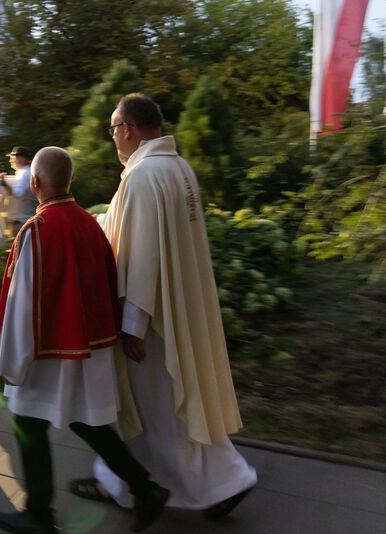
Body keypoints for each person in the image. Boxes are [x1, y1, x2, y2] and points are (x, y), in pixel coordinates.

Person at [71, 93, 257, 518]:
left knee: (153, 409)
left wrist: (132, 327)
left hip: (153, 322)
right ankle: (225, 479)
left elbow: (140, 258)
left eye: (113, 128)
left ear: (128, 129)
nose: (113, 137)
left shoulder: (142, 177)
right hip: (180, 309)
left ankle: (130, 485)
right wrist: (91, 223)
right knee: (179, 404)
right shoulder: (178, 168)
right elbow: (133, 230)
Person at [0, 147, 168, 534]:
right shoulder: (90, 224)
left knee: (28, 423)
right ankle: (145, 489)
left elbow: (21, 305)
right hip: (90, 348)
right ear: (69, 180)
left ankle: (39, 515)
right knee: (86, 420)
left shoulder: (36, 229)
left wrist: (10, 362)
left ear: (35, 183)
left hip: (46, 351)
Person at [0, 146, 37, 235]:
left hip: (22, 223)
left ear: (20, 158)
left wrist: (3, 182)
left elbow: (18, 194)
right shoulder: (27, 172)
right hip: (27, 220)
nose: (10, 160)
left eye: (13, 157)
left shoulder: (24, 174)